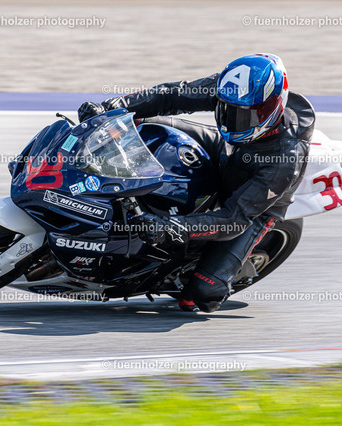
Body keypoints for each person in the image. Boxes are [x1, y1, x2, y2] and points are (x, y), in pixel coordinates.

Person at [77, 53, 314, 313]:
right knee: (141, 123)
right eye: (226, 110)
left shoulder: (285, 160)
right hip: (228, 150)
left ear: (271, 108)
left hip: (254, 208)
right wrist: (116, 107)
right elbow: (173, 95)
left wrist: (169, 228)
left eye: (242, 116)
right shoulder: (234, 89)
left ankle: (212, 271)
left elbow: (233, 219)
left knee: (202, 295)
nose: (232, 119)